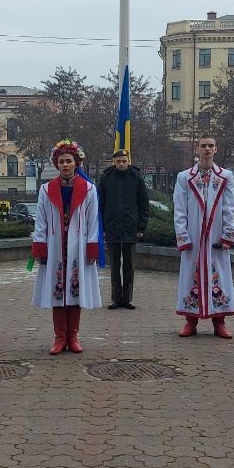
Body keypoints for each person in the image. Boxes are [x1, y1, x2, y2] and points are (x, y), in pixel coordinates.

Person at [31, 140, 102, 354]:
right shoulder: (46, 189)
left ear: (76, 163)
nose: (64, 165)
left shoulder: (89, 189)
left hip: (77, 247)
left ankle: (73, 337)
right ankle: (59, 337)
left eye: (68, 161)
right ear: (56, 163)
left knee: (75, 290)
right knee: (57, 292)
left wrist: (92, 248)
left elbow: (93, 220)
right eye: (61, 161)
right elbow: (41, 220)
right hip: (55, 245)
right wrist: (40, 246)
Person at [173, 136, 234, 338]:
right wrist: (182, 235)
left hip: (216, 236)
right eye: (203, 146)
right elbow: (179, 208)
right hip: (193, 236)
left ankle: (220, 322)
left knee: (220, 276)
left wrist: (228, 233)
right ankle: (190, 322)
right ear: (197, 149)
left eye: (210, 146)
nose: (207, 149)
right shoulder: (184, 177)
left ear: (216, 149)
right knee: (190, 276)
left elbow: (229, 207)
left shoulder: (225, 176)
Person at [98, 149, 149, 309]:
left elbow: (143, 204)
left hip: (130, 228)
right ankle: (115, 299)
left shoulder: (136, 178)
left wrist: (141, 226)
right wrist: (102, 228)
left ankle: (127, 299)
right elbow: (100, 204)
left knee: (129, 266)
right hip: (112, 228)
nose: (121, 164)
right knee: (114, 266)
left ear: (128, 161)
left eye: (124, 161)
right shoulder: (106, 178)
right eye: (118, 161)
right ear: (114, 162)